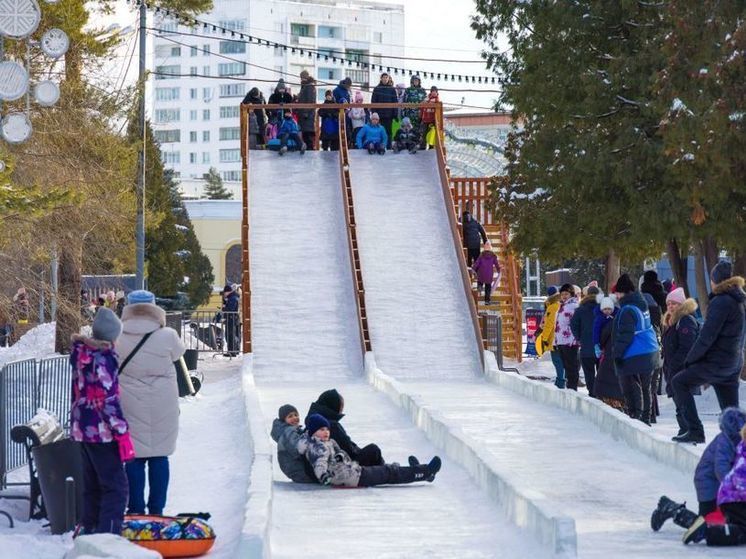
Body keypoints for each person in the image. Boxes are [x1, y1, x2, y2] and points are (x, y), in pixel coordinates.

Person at [118, 290, 186, 516]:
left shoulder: (118, 335)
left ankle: (135, 508)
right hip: (162, 401)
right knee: (159, 455)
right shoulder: (168, 335)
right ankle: (156, 509)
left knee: (134, 457)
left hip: (128, 400)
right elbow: (179, 354)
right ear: (154, 307)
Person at [70, 308, 134, 535]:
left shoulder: (82, 355)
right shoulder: (103, 359)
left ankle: (90, 531)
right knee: (116, 488)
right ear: (111, 336)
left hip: (83, 429)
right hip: (101, 431)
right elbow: (107, 400)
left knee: (94, 486)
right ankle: (107, 538)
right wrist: (122, 431)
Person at [673, 261, 745, 444]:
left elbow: (707, 337)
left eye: (712, 278)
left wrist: (690, 360)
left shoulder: (721, 301)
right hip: (732, 362)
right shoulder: (738, 301)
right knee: (730, 410)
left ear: (716, 281)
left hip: (717, 363)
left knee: (679, 382)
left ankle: (695, 430)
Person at [653, 408, 746, 536]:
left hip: (719, 484)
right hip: (708, 482)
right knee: (704, 524)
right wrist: (735, 489)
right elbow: (721, 468)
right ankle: (671, 509)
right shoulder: (725, 441)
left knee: (719, 522)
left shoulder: (737, 440)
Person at [299, 414, 441, 487]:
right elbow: (320, 463)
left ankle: (417, 470)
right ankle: (425, 471)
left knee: (389, 471)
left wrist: (339, 457)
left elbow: (340, 453)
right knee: (389, 473)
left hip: (353, 471)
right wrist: (324, 477)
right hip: (353, 477)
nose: (326, 432)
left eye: (327, 429)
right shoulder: (318, 447)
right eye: (322, 429)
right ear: (312, 432)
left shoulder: (327, 442)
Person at [683, 421, 746, 545]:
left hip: (732, 498)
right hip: (735, 499)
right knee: (742, 531)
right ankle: (707, 531)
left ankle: (706, 527)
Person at [612, 273, 660, 424]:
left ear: (623, 292)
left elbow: (625, 335)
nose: (616, 296)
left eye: (617, 293)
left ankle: (635, 417)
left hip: (635, 353)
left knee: (632, 387)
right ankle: (646, 418)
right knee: (646, 388)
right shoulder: (642, 304)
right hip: (651, 350)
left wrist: (617, 355)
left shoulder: (627, 310)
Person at [306, 389, 384, 466]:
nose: (341, 411)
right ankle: (387, 474)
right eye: (341, 407)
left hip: (329, 463)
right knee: (374, 450)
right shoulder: (331, 426)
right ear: (333, 406)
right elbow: (350, 452)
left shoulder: (311, 422)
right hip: (345, 467)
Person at [660, 287, 700, 436]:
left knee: (683, 403)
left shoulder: (685, 321)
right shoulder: (673, 322)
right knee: (679, 404)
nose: (670, 306)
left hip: (681, 370)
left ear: (681, 305)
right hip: (674, 370)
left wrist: (674, 365)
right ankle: (684, 430)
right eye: (668, 303)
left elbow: (686, 348)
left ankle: (689, 430)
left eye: (674, 303)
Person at [593, 294, 626, 411]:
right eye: (605, 309)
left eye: (609, 309)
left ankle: (613, 400)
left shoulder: (616, 318)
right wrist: (597, 345)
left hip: (610, 351)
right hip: (608, 350)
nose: (607, 311)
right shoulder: (600, 319)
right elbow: (596, 333)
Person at [271, 404, 317, 484]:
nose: (294, 418)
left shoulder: (291, 431)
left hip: (296, 471)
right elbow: (298, 449)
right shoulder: (289, 431)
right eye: (290, 416)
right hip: (300, 471)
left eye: (296, 415)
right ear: (284, 420)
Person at [571, 284, 601, 396]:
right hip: (601, 346)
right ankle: (600, 392)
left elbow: (573, 325)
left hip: (586, 347)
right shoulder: (604, 308)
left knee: (589, 372)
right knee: (601, 371)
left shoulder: (580, 310)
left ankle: (592, 392)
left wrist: (579, 338)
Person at [536, 286, 566, 386]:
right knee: (560, 359)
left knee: (557, 360)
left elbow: (549, 324)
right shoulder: (560, 304)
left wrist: (544, 338)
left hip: (554, 338)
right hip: (561, 337)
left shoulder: (552, 307)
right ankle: (560, 379)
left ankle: (560, 381)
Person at [554, 283, 580, 390]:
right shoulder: (562, 306)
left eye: (566, 294)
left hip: (570, 341)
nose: (564, 296)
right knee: (565, 365)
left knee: (571, 366)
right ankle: (570, 386)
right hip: (561, 340)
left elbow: (576, 324)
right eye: (562, 294)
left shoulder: (574, 306)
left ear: (571, 294)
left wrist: (574, 338)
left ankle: (572, 387)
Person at [370, 72, 397, 147]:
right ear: (381, 79)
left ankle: (388, 146)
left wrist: (395, 114)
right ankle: (379, 145)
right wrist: (374, 113)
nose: (385, 79)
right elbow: (373, 101)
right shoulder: (377, 89)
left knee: (388, 131)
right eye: (383, 77)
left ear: (388, 79)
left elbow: (395, 101)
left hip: (389, 115)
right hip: (379, 115)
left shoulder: (392, 89)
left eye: (386, 77)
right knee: (378, 131)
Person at [296, 70, 317, 149]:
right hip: (304, 116)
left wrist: (305, 113)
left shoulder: (309, 86)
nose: (301, 79)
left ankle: (310, 155)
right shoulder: (306, 86)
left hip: (307, 116)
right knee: (305, 136)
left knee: (308, 138)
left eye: (302, 77)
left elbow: (310, 101)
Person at [222, 284, 241, 356]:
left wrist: (224, 308)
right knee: (233, 335)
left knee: (230, 335)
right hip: (233, 318)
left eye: (224, 293)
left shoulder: (232, 298)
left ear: (227, 292)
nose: (224, 294)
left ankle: (232, 351)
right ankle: (234, 350)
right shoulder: (233, 297)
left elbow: (230, 309)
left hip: (231, 319)